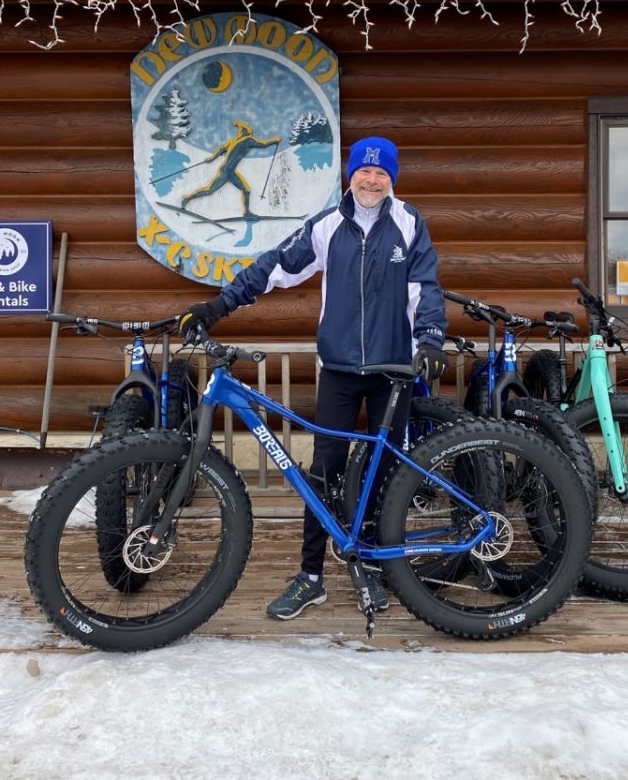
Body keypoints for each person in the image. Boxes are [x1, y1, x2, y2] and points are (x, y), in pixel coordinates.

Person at [179, 135, 448, 620]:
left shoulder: (409, 224)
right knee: (323, 472)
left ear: (392, 178)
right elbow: (274, 266)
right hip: (340, 371)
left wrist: (429, 338)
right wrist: (219, 305)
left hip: (394, 371)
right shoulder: (328, 226)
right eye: (364, 171)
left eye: (381, 172)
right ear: (351, 174)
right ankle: (311, 576)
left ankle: (373, 565)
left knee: (386, 475)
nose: (372, 179)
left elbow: (425, 287)